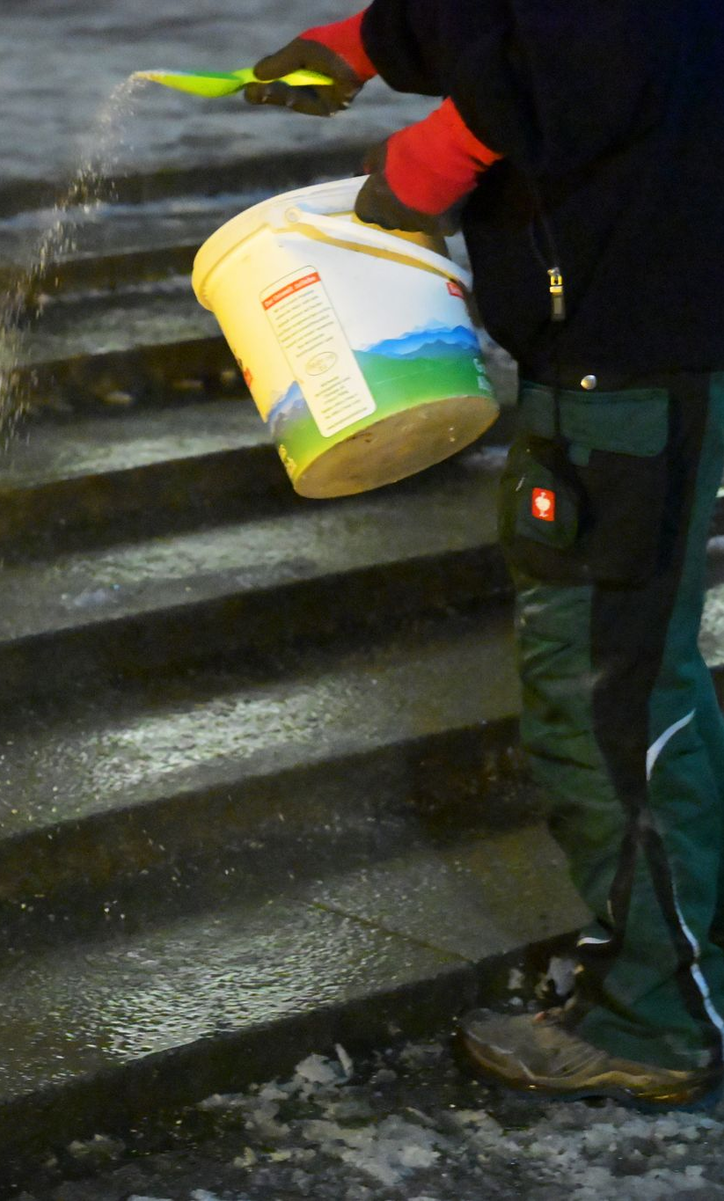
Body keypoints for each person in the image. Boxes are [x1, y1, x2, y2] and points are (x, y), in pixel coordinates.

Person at [246, 1, 724, 1108]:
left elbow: (602, 45)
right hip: (631, 338)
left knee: (607, 695)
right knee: (635, 675)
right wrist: (370, 37)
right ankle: (681, 967)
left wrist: (435, 155)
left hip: (630, 353)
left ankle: (653, 1017)